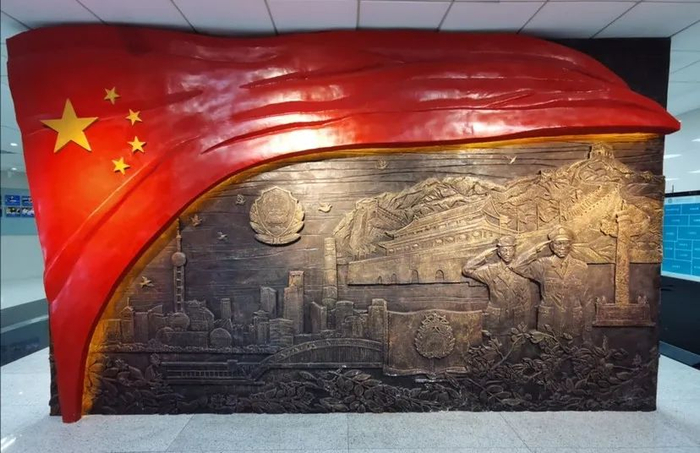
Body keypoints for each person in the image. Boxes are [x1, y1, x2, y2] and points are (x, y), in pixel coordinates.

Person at [510, 226, 593, 338]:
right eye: (558, 244)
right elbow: (516, 266)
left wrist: (588, 327)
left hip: (573, 321)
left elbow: (587, 299)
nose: (562, 247)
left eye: (565, 243)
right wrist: (535, 250)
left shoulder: (581, 267)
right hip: (548, 320)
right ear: (552, 246)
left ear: (570, 245)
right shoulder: (543, 265)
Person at [462, 236, 534, 334]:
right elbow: (467, 270)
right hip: (496, 319)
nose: (507, 253)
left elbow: (526, 300)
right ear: (499, 253)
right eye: (504, 250)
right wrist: (486, 255)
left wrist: (525, 323)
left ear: (514, 251)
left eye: (510, 250)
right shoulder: (491, 270)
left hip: (517, 318)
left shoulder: (522, 270)